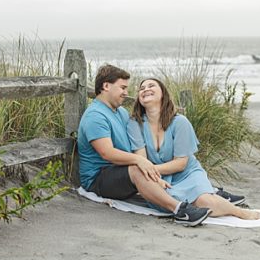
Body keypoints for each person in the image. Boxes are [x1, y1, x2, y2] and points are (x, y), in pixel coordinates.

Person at [76, 64, 209, 227]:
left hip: (119, 171)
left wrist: (150, 169)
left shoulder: (121, 112)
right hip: (98, 179)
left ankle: (208, 190)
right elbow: (107, 153)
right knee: (138, 168)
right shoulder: (95, 116)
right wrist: (141, 163)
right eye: (122, 88)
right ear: (106, 86)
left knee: (149, 166)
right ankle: (180, 210)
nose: (126, 93)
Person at [129, 78, 260, 221]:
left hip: (186, 173)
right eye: (142, 88)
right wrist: (154, 179)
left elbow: (180, 164)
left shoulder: (180, 122)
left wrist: (152, 171)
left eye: (151, 85)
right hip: (158, 177)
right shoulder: (135, 123)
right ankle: (214, 193)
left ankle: (238, 211)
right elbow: (141, 159)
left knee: (206, 202)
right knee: (164, 203)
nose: (145, 89)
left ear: (163, 94)